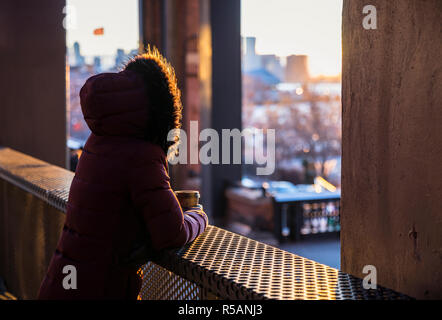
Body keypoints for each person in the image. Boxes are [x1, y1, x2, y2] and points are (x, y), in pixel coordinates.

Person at [38, 47, 208, 300]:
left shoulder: (96, 144)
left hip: (64, 283)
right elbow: (172, 234)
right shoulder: (143, 156)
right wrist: (198, 216)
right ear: (162, 109)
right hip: (100, 288)